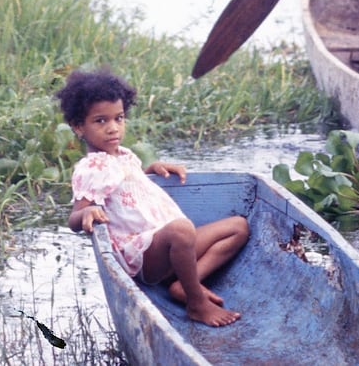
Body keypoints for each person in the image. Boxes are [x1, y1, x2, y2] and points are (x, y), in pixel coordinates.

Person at [57, 69, 249, 326]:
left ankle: (185, 284)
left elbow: (126, 186)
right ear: (79, 127)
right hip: (144, 254)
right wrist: (86, 213)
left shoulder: (123, 155)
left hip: (166, 241)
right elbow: (74, 218)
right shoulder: (91, 168)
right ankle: (196, 303)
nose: (113, 128)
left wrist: (150, 170)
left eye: (119, 118)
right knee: (182, 229)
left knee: (238, 227)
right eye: (100, 121)